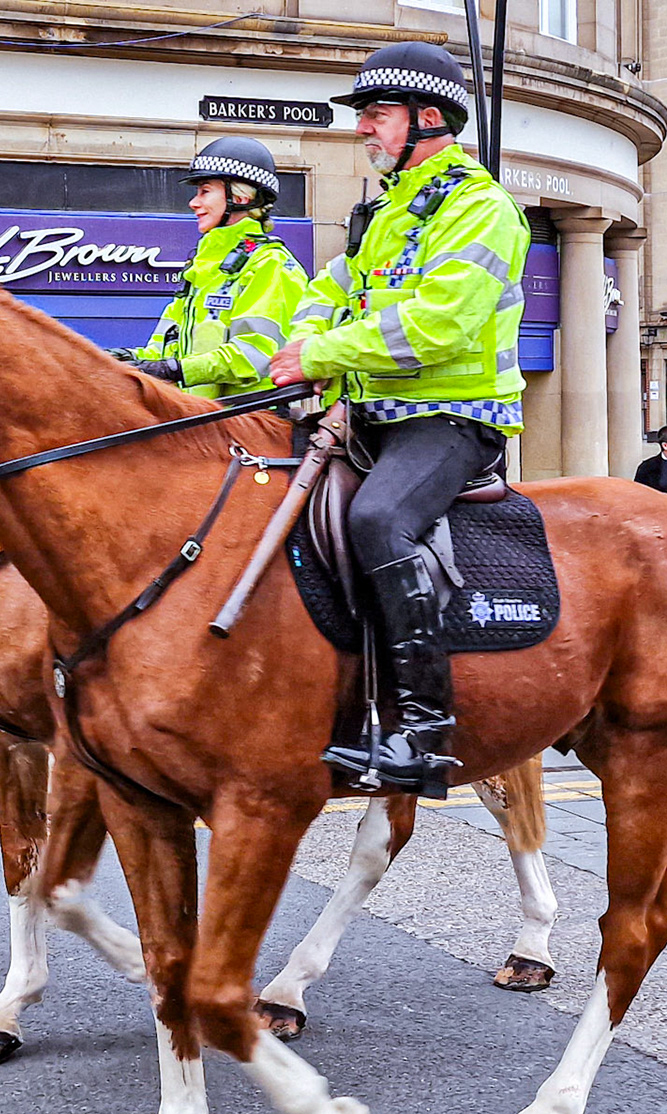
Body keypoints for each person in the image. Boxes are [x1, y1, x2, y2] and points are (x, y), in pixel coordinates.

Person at [268, 42, 530, 798]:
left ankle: (424, 733)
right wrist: (296, 349)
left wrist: (323, 350)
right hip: (372, 414)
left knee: (379, 521)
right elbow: (333, 288)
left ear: (428, 117)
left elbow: (436, 326)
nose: (365, 130)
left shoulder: (482, 207)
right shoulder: (381, 210)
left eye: (376, 115)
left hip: (450, 418)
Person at [109, 137, 309, 400]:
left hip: (252, 424)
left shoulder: (271, 264)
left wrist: (175, 370)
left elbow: (254, 356)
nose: (193, 202)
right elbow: (164, 350)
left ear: (240, 196)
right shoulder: (204, 266)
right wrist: (120, 359)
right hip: (200, 421)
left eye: (204, 191)